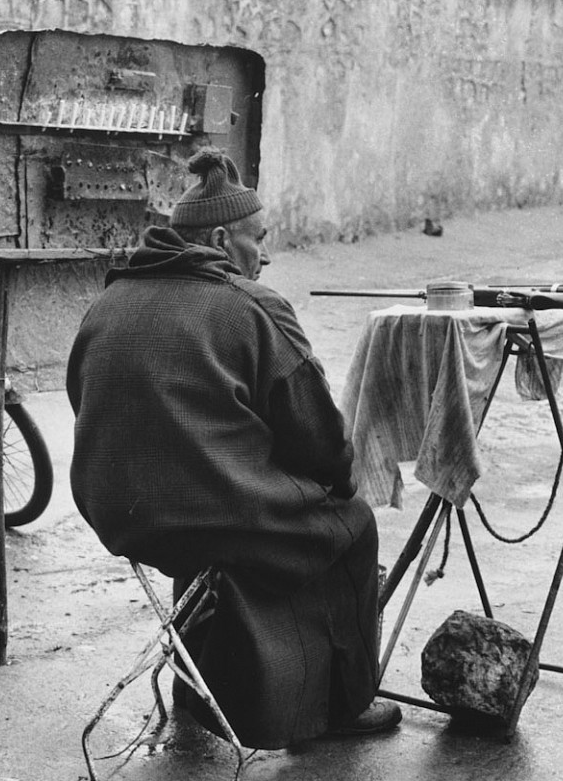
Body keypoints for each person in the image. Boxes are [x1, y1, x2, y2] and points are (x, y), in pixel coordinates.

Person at [66, 147, 401, 750]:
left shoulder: (107, 302)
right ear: (221, 238)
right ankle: (344, 704)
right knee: (350, 525)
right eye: (258, 239)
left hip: (119, 517)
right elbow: (322, 441)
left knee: (208, 517)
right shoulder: (252, 306)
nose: (266, 254)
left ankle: (198, 688)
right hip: (212, 518)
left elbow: (85, 404)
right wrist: (334, 485)